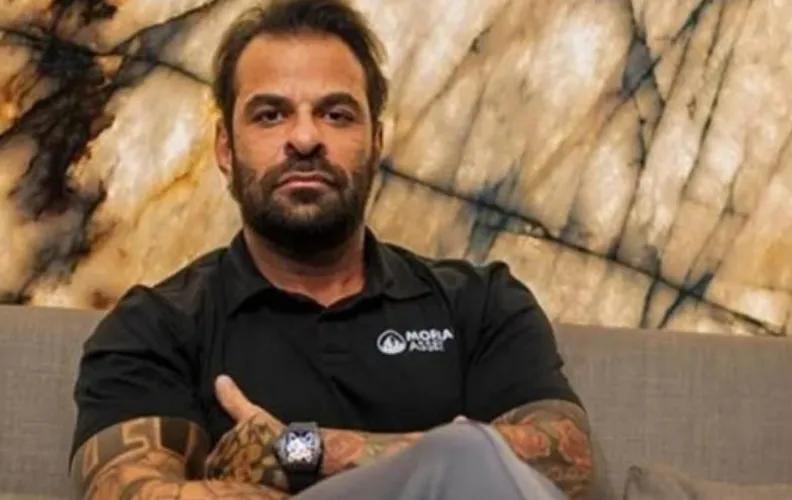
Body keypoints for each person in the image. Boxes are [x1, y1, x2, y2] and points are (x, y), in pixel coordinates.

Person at [67, 0, 594, 498]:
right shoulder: (154, 327)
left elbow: (564, 465)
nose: (304, 139)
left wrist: (300, 450)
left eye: (336, 115)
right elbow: (130, 492)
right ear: (225, 148)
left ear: (376, 143)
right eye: (270, 115)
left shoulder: (480, 303)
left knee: (466, 455)